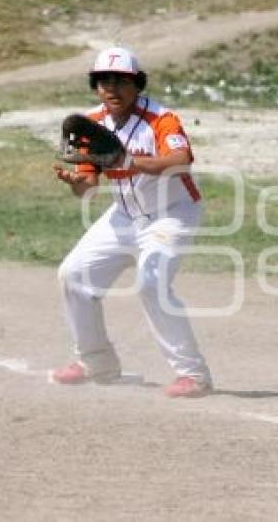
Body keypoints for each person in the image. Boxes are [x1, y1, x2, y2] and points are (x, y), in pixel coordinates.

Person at [50, 46, 213, 398]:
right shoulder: (91, 125)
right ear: (96, 87)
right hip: (124, 216)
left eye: (121, 81)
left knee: (151, 284)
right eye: (104, 81)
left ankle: (193, 374)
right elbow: (88, 187)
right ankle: (96, 362)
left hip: (172, 213)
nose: (112, 88)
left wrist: (131, 161)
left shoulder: (160, 118)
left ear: (137, 84)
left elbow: (181, 160)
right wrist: (76, 183)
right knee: (73, 274)